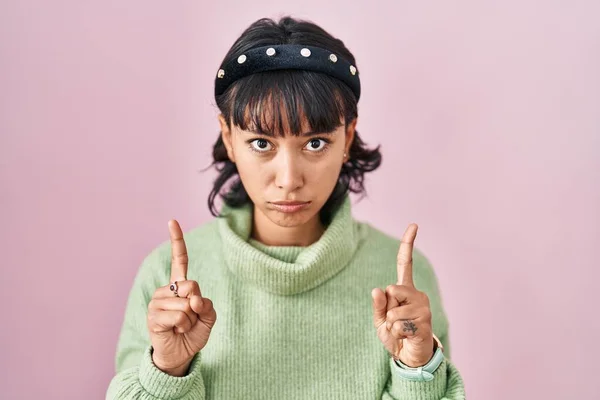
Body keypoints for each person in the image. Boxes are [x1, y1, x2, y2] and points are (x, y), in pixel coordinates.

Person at [106, 16, 466, 400]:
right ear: (228, 137)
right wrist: (167, 370)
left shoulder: (404, 287)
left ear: (348, 137)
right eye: (262, 143)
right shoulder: (166, 278)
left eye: (315, 144)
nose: (289, 178)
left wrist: (417, 370)